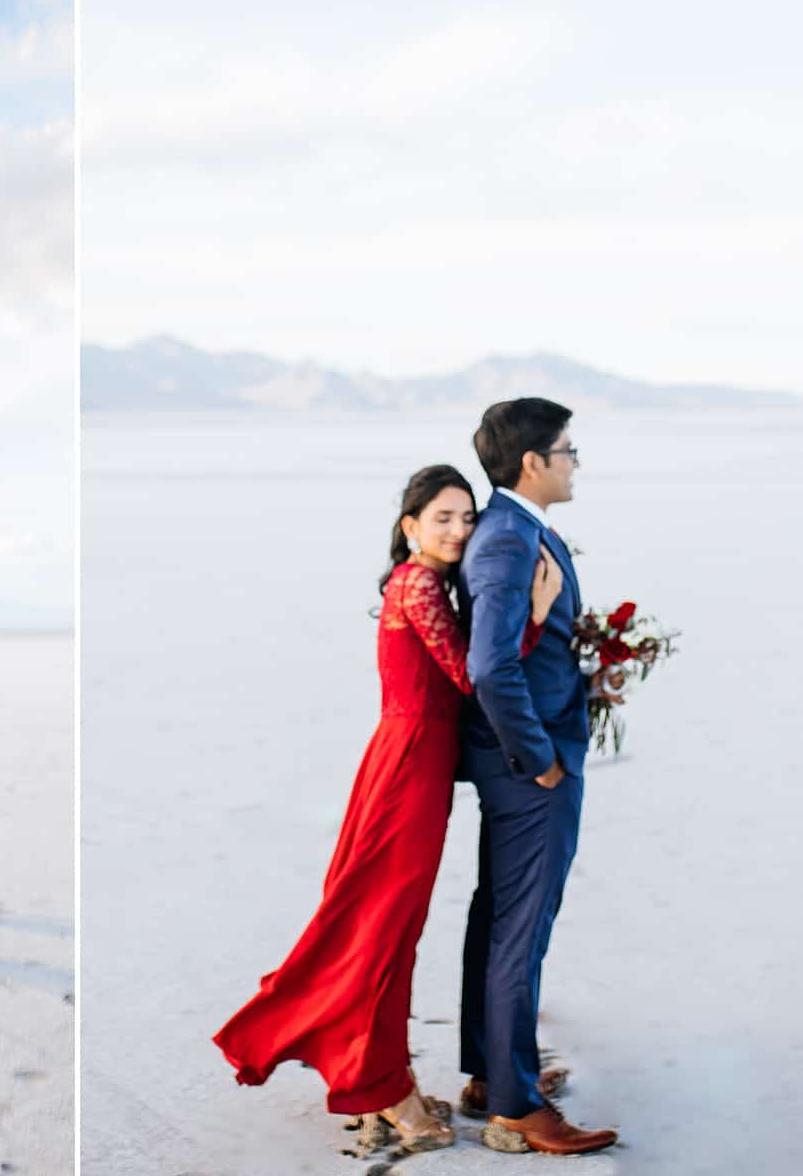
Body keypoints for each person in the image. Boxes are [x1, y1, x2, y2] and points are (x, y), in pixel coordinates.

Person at [214, 464, 561, 1152]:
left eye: (467, 517)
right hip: (406, 771)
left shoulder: (427, 582)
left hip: (417, 766)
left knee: (388, 926)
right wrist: (538, 614)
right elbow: (471, 674)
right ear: (409, 527)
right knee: (379, 927)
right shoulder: (417, 583)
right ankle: (380, 1086)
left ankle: (382, 1070)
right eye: (443, 518)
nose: (459, 530)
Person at [455, 398, 617, 1155]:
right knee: (520, 930)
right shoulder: (507, 542)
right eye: (568, 450)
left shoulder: (520, 530)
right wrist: (541, 757)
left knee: (500, 919)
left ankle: (495, 1073)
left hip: (524, 763)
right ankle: (517, 1103)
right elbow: (489, 665)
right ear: (533, 463)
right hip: (529, 772)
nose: (577, 461)